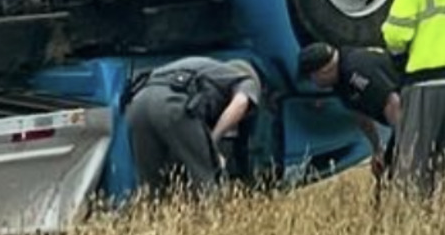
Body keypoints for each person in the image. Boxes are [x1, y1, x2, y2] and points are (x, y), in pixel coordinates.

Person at [126, 57, 263, 199]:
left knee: (151, 186)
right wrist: (213, 144)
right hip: (173, 105)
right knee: (205, 181)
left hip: (138, 103)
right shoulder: (244, 79)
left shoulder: (210, 71)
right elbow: (240, 103)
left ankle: (151, 217)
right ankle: (208, 218)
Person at [381, 0, 445, 190]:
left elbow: (395, 35)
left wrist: (397, 61)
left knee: (414, 171)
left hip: (426, 84)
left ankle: (414, 229)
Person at [295, 39, 400, 179]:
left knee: (400, 168)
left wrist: (402, 145)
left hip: (414, 103)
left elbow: (393, 102)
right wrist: (377, 149)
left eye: (312, 78)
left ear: (324, 71)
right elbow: (360, 115)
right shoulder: (339, 79)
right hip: (401, 115)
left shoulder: (354, 71)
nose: (312, 83)